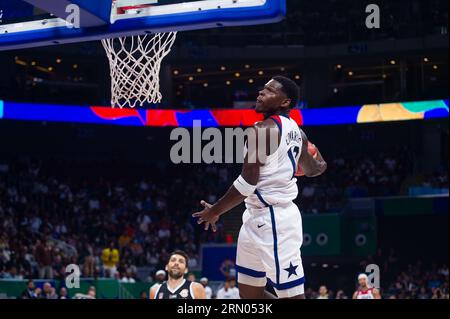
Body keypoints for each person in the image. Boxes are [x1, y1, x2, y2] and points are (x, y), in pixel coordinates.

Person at [193, 76, 327, 299]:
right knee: (250, 294)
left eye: (269, 90)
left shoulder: (262, 130)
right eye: (262, 89)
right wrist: (320, 158)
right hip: (254, 218)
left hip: (276, 220)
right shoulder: (298, 132)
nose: (261, 93)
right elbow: (314, 169)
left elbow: (247, 182)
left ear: (285, 102)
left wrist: (214, 211)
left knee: (291, 295)